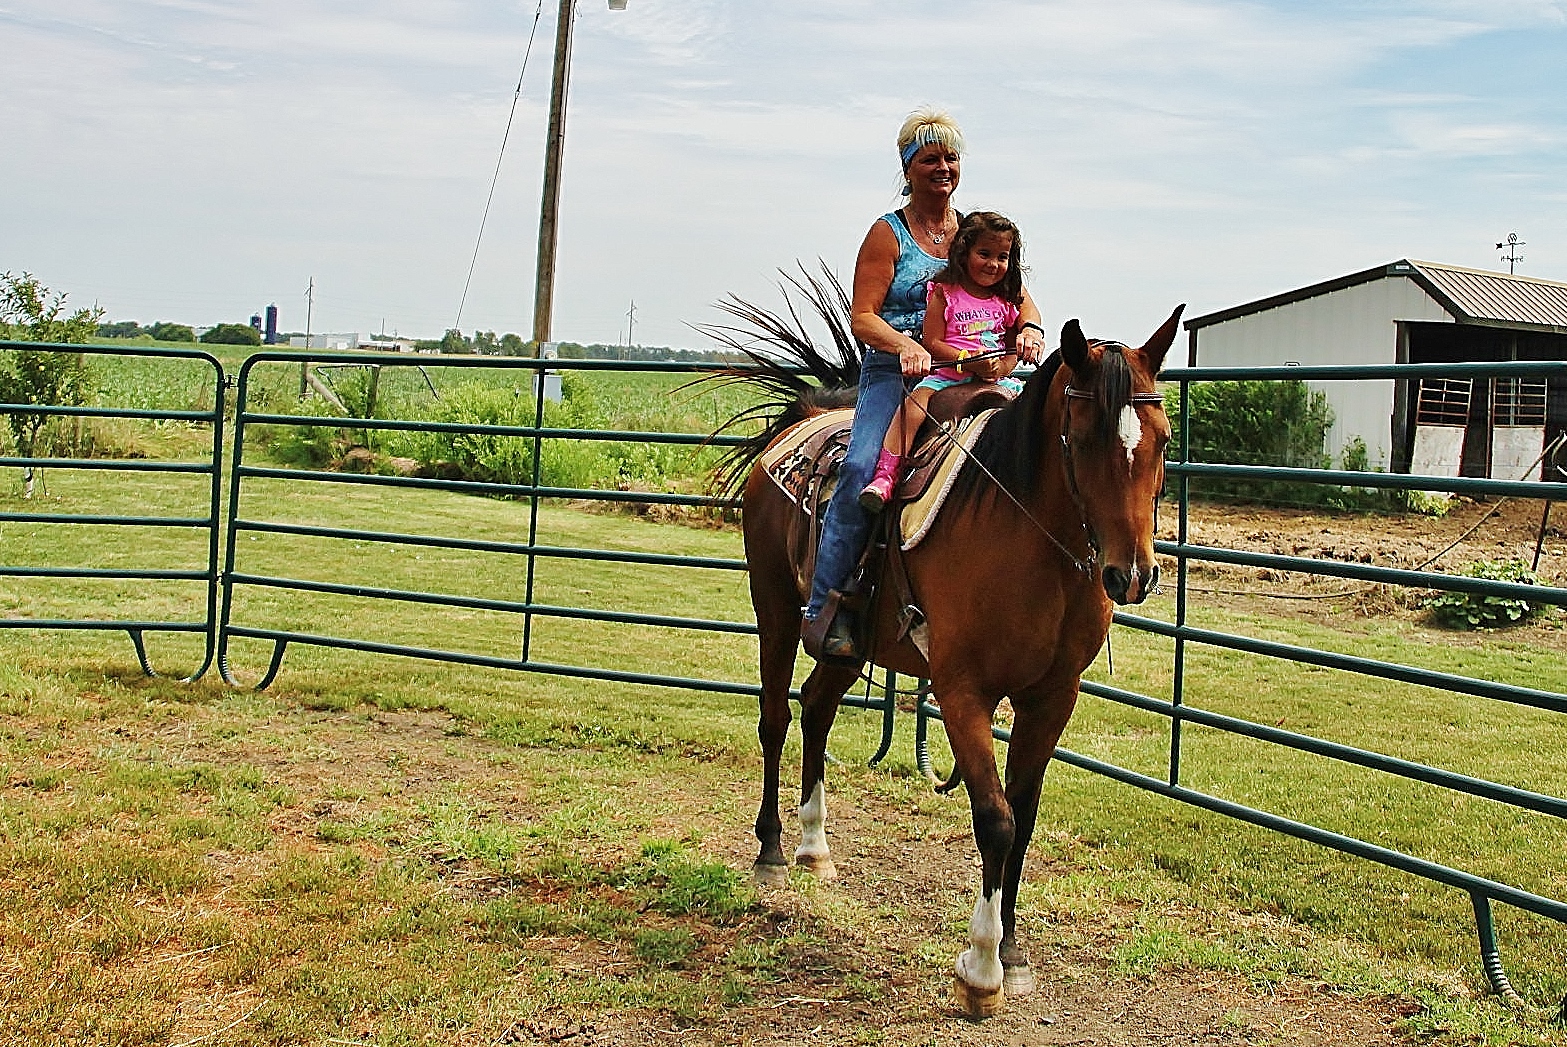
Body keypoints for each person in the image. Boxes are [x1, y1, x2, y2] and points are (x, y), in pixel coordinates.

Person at [801, 109, 1046, 662]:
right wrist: (905, 344)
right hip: (901, 372)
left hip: (978, 368)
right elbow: (863, 314)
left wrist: (1028, 329)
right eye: (930, 158)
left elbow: (1021, 298)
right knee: (863, 467)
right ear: (908, 168)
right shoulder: (887, 234)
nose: (943, 168)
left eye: (951, 158)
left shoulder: (977, 234)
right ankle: (826, 607)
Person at [859, 211, 1028, 512]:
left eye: (1002, 257)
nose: (993, 264)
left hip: (994, 378)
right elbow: (932, 342)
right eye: (984, 254)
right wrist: (966, 361)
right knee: (913, 410)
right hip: (945, 374)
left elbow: (1018, 336)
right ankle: (886, 475)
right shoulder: (944, 292)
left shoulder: (1006, 297)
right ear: (964, 252)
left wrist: (1009, 360)